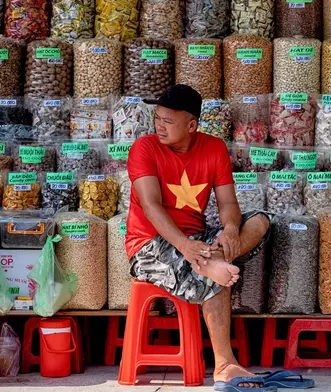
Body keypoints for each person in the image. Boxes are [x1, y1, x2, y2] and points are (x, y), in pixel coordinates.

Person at [126, 84, 271, 390]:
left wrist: (230, 230)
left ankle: (213, 260)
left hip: (199, 237)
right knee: (215, 276)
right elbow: (150, 206)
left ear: (191, 125)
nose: (159, 126)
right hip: (150, 244)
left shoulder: (214, 148)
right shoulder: (144, 148)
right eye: (158, 118)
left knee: (259, 221)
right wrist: (186, 246)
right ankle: (224, 364)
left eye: (168, 121)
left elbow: (229, 204)